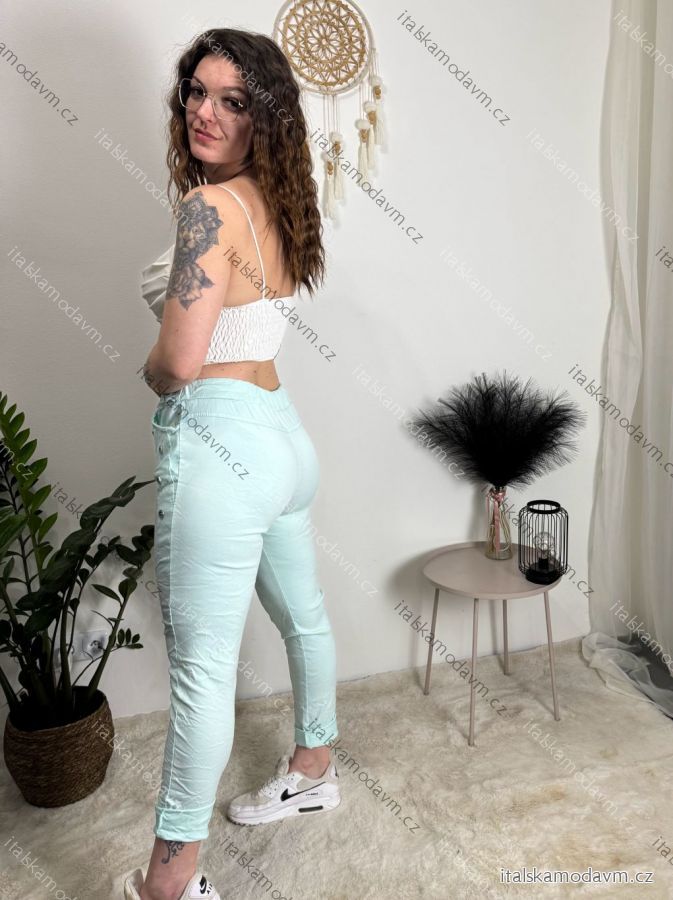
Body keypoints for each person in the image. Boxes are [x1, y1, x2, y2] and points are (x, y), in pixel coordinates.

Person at [124, 27, 340, 900]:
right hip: (282, 439)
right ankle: (314, 768)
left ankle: (169, 883)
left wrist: (149, 372)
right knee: (305, 619)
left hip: (220, 446)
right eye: (196, 92)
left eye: (232, 101)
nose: (204, 112)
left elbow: (179, 361)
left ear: (266, 116)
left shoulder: (209, 208)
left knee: (202, 674)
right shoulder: (278, 199)